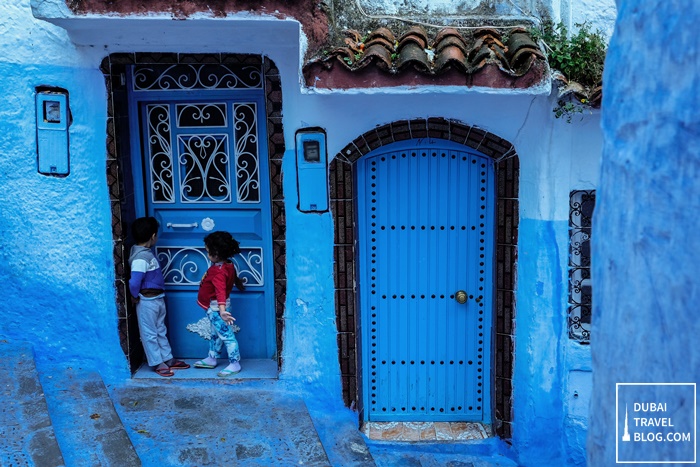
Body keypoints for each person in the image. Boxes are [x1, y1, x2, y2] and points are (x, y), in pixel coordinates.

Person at [128, 217, 190, 377]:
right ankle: (157, 361)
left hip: (158, 299)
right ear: (153, 236)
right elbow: (134, 281)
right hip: (146, 301)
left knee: (160, 330)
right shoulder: (140, 257)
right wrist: (134, 296)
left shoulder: (147, 254)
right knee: (149, 333)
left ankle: (167, 358)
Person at [193, 231, 246, 377]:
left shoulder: (218, 272)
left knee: (227, 336)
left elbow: (220, 291)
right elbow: (231, 279)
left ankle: (235, 363)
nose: (207, 253)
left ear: (216, 254)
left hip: (217, 308)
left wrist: (222, 311)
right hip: (217, 307)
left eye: (208, 251)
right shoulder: (228, 265)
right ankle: (212, 357)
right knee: (215, 334)